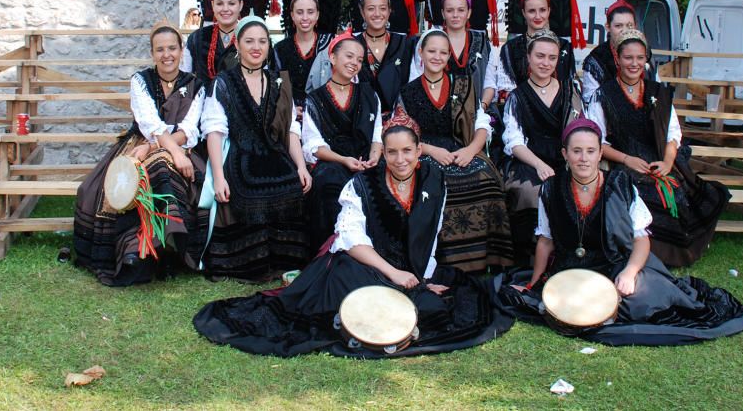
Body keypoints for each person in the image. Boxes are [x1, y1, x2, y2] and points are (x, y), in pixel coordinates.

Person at [193, 109, 515, 358]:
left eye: (407, 151)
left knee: (435, 309)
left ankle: (404, 298)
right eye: (392, 152)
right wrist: (395, 274)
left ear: (419, 151)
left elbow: (430, 237)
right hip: (362, 265)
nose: (400, 160)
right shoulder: (360, 185)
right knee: (363, 289)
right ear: (383, 153)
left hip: (407, 269)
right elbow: (352, 242)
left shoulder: (434, 180)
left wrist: (424, 278)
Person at [497, 119, 743, 346]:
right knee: (541, 299)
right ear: (565, 154)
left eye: (590, 151)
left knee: (639, 302)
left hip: (615, 265)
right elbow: (545, 241)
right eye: (576, 151)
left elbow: (641, 239)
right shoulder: (550, 189)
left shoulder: (621, 184)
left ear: (599, 155)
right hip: (571, 268)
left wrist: (629, 273)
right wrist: (534, 283)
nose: (583, 158)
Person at [74, 23, 206, 286]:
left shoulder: (196, 85)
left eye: (172, 48)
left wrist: (164, 150)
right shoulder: (140, 81)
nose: (166, 54)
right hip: (140, 142)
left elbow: (190, 129)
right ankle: (141, 250)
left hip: (177, 146)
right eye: (160, 49)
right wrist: (162, 149)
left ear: (181, 51)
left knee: (163, 167)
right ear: (152, 53)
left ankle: (168, 249)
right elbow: (150, 124)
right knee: (104, 189)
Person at [585, 29, 729, 267]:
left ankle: (672, 253)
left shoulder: (658, 93)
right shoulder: (604, 95)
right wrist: (626, 159)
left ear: (646, 59)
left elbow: (673, 134)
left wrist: (667, 163)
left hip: (657, 159)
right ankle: (644, 252)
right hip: (623, 161)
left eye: (640, 58)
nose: (634, 63)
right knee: (641, 192)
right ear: (618, 59)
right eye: (628, 58)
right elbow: (595, 140)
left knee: (675, 191)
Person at [200, 16, 312, 280]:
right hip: (241, 154)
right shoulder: (223, 82)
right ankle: (251, 263)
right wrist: (218, 176)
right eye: (249, 41)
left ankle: (285, 263)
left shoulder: (279, 82)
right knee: (251, 185)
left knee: (290, 183)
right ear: (237, 44)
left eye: (262, 41)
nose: (256, 47)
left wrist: (301, 166)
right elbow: (215, 131)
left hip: (275, 153)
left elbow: (291, 131)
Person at [397, 29, 512, 272]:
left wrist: (471, 150)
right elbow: (401, 132)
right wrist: (429, 150)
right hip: (425, 152)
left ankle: (486, 260)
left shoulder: (466, 84)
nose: (437, 57)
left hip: (462, 147)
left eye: (443, 52)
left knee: (487, 179)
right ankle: (444, 263)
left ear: (449, 55)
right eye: (431, 51)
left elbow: (482, 124)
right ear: (421, 53)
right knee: (436, 182)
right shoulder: (409, 91)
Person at [500, 29, 582, 265]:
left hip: (566, 158)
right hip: (529, 161)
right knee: (530, 192)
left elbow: (578, 132)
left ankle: (568, 253)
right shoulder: (517, 96)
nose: (545, 63)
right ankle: (532, 257)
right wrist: (538, 164)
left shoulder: (569, 91)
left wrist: (572, 162)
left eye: (552, 57)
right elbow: (514, 141)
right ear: (529, 57)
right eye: (540, 56)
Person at [301, 30, 382, 250]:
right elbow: (313, 146)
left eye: (359, 59)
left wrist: (374, 157)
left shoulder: (369, 94)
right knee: (328, 182)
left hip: (366, 160)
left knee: (381, 181)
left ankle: (377, 252)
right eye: (349, 56)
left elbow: (377, 136)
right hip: (333, 162)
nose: (354, 63)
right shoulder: (315, 99)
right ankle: (333, 251)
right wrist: (344, 160)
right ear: (333, 58)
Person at [307, 0, 416, 120]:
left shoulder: (405, 44)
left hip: (398, 122)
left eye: (382, 8)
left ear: (389, 11)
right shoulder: (349, 43)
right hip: (357, 121)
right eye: (371, 9)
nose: (377, 13)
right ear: (362, 12)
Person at [492, 0, 576, 107]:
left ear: (549, 11)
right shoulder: (511, 48)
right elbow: (506, 90)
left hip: (559, 113)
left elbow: (570, 87)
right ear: (523, 13)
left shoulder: (564, 46)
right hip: (521, 112)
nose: (538, 16)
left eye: (542, 10)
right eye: (532, 11)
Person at [409, 0, 496, 97]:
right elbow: (417, 77)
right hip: (436, 108)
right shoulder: (430, 40)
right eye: (450, 10)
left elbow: (489, 83)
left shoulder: (483, 42)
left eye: (461, 10)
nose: (455, 15)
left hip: (477, 109)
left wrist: (481, 109)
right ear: (443, 13)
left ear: (469, 13)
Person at [271, 0, 333, 116]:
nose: (305, 17)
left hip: (325, 111)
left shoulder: (330, 44)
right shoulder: (280, 49)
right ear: (292, 15)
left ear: (317, 15)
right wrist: (291, 108)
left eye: (310, 12)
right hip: (290, 113)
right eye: (299, 12)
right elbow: (275, 85)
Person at [181, 0, 243, 92]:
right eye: (220, 3)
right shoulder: (197, 38)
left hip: (241, 106)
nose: (225, 9)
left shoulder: (251, 36)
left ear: (240, 5)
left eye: (231, 3)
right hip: (204, 105)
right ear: (213, 5)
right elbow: (184, 76)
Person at [581, 0, 649, 107]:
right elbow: (590, 101)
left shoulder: (646, 53)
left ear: (635, 26)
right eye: (618, 26)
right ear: (608, 27)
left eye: (629, 25)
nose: (625, 30)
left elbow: (655, 92)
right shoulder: (597, 59)